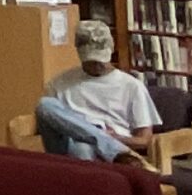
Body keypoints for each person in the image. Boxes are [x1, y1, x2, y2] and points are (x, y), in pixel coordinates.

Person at [35, 20, 159, 164]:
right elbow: (49, 123)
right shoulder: (59, 82)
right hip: (68, 144)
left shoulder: (132, 86)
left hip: (109, 150)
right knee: (45, 104)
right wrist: (100, 136)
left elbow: (145, 140)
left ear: (111, 51)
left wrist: (117, 138)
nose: (96, 65)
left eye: (101, 60)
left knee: (83, 147)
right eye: (91, 61)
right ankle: (105, 143)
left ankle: (103, 150)